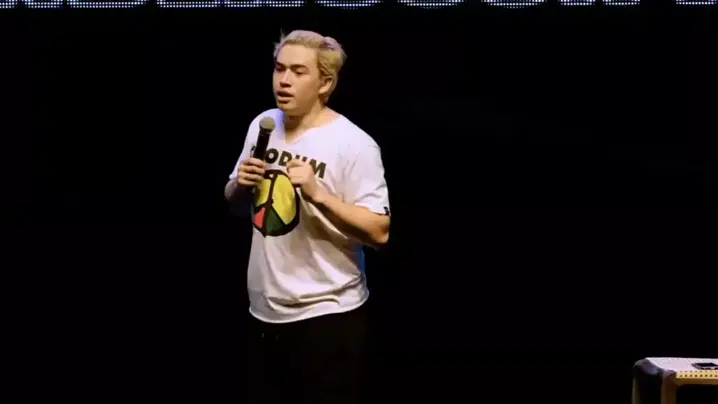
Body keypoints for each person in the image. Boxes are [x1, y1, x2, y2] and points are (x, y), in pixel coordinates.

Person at [224, 30, 391, 404]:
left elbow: (380, 234)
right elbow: (233, 205)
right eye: (279, 68)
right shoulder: (263, 124)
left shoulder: (354, 144)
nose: (283, 80)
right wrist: (238, 186)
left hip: (327, 317)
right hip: (263, 312)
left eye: (298, 72)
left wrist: (319, 195)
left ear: (325, 83)